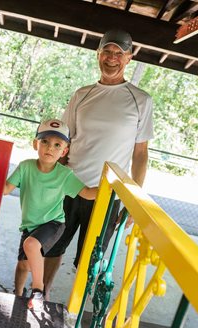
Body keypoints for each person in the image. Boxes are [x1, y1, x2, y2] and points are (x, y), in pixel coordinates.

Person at [43, 29, 154, 298]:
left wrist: (134, 200)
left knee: (89, 261)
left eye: (119, 53)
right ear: (98, 54)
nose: (112, 58)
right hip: (69, 186)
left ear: (129, 57)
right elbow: (64, 142)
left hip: (107, 195)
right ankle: (39, 295)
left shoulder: (141, 100)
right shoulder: (81, 94)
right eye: (107, 51)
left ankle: (73, 312)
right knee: (51, 246)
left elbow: (140, 154)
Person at [0, 119, 98, 310]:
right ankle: (18, 295)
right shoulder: (25, 167)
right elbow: (5, 189)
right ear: (35, 143)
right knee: (23, 265)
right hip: (30, 225)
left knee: (31, 244)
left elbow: (87, 193)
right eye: (45, 141)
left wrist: (109, 189)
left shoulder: (65, 175)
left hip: (53, 223)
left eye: (57, 145)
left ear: (64, 151)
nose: (50, 148)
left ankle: (38, 291)